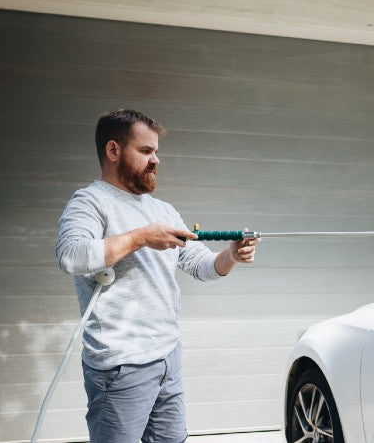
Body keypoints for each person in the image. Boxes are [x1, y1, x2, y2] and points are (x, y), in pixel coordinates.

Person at [56, 109, 259, 442]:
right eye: (146, 151)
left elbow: (202, 266)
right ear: (113, 151)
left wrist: (231, 254)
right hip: (120, 366)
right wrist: (141, 237)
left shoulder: (162, 210)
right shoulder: (90, 202)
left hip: (167, 356)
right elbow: (71, 255)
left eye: (156, 151)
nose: (156, 160)